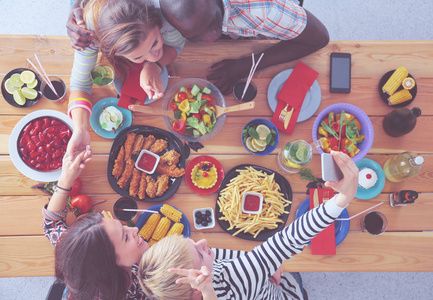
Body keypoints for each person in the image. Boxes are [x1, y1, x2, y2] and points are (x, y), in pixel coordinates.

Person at [138, 150, 358, 300]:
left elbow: (222, 256)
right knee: (296, 283)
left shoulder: (187, 290)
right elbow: (287, 240)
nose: (205, 242)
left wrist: (261, 266)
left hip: (258, 282)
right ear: (197, 291)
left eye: (192, 242)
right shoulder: (235, 278)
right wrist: (342, 198)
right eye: (201, 253)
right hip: (282, 293)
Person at [68, 0, 329, 95]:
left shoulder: (263, 10)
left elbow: (319, 39)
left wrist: (245, 65)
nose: (205, 40)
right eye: (178, 32)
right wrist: (75, 10)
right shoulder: (160, 17)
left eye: (211, 27)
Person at [66, 0, 185, 165]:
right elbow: (80, 84)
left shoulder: (166, 13)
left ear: (158, 24)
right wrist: (81, 129)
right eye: (138, 57)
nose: (154, 55)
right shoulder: (89, 32)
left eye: (155, 43)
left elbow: (177, 44)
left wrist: (155, 65)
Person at [43, 146, 151, 300]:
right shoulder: (127, 293)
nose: (134, 230)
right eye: (125, 237)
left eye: (123, 227)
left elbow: (50, 224)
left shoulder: (79, 250)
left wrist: (66, 178)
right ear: (109, 265)